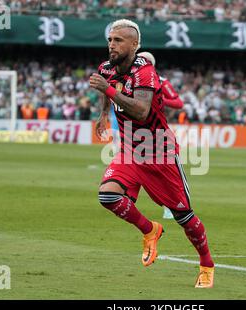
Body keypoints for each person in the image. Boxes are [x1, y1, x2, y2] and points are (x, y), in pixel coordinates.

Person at [90, 19, 214, 288]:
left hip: (159, 152)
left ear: (134, 45)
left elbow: (142, 111)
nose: (112, 44)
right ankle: (150, 229)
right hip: (130, 150)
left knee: (184, 216)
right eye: (110, 39)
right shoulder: (106, 68)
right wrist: (103, 115)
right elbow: (106, 88)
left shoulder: (145, 73)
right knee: (108, 195)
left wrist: (107, 89)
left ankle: (206, 263)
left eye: (118, 40)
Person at [137, 51, 184, 220]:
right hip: (134, 131)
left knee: (164, 170)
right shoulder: (130, 80)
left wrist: (160, 100)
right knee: (137, 167)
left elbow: (178, 103)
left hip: (156, 131)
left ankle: (171, 205)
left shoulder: (162, 82)